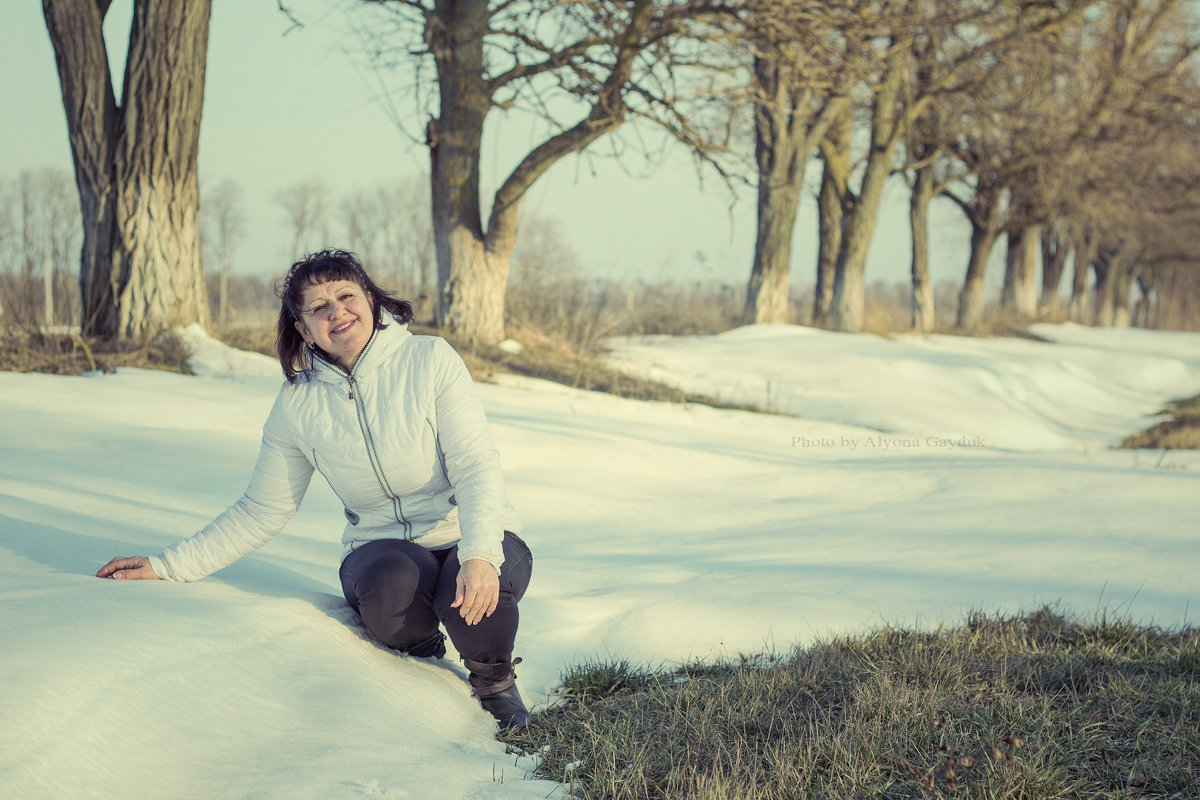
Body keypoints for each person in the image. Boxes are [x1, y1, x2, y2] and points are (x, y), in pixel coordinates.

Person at [96, 249, 534, 730]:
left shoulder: (428, 359)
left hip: (470, 528)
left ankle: (494, 683)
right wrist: (167, 565)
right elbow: (262, 509)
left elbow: (475, 464)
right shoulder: (297, 402)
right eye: (318, 307)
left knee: (468, 592)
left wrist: (478, 552)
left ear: (369, 298)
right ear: (303, 328)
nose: (337, 312)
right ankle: (423, 657)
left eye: (346, 295)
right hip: (384, 549)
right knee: (388, 587)